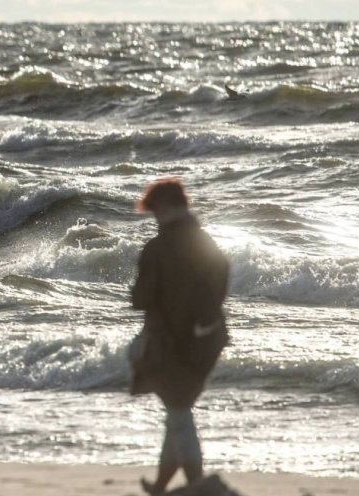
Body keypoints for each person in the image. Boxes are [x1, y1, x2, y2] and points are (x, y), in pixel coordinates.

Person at [128, 178, 230, 495]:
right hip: (208, 340)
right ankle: (159, 486)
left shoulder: (158, 248)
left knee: (179, 414)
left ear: (166, 208)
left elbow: (141, 300)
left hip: (172, 344)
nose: (155, 218)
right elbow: (219, 284)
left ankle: (197, 488)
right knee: (178, 410)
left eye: (156, 211)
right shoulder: (206, 242)